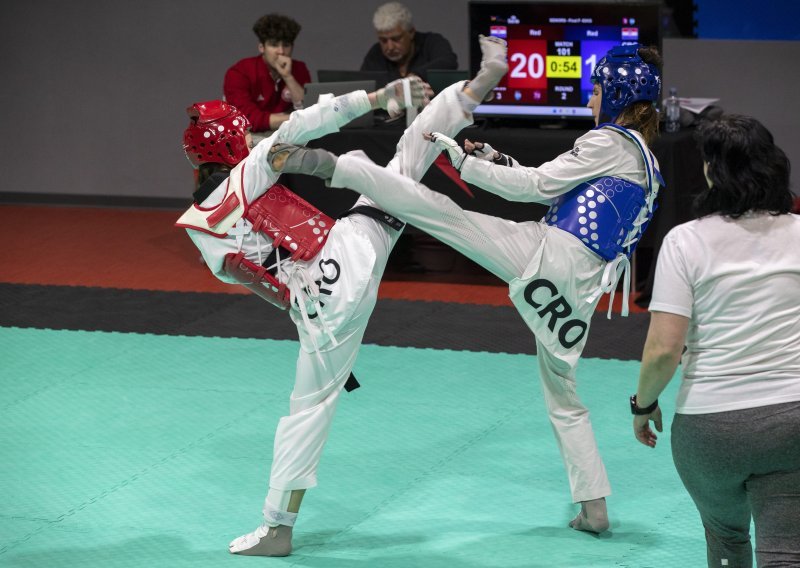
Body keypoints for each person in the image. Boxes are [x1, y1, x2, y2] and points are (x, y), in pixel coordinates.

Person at [272, 43, 664, 534]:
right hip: (583, 293)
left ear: (619, 95)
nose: (591, 102)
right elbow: (561, 188)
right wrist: (495, 158)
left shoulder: (610, 140)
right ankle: (594, 507)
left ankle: (339, 167)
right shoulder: (644, 158)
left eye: (598, 92)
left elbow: (535, 189)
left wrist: (464, 163)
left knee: (441, 214)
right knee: (564, 397)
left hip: (551, 257)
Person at [177, 35, 508, 557]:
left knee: (307, 409)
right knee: (404, 161)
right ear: (232, 143)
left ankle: (277, 528)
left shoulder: (199, 229)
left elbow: (258, 282)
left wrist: (315, 323)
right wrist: (377, 100)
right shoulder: (251, 170)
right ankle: (477, 88)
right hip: (348, 249)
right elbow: (306, 121)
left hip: (323, 306)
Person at [631, 115, 800, 567]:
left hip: (709, 431)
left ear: (711, 171)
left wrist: (643, 405)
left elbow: (664, 349)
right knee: (787, 554)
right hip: (793, 422)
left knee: (726, 542)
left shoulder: (684, 242)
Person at [223, 13, 312, 132]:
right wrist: (296, 119)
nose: (281, 51)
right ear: (261, 47)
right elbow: (247, 120)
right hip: (250, 137)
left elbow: (308, 109)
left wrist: (288, 76)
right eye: (274, 45)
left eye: (286, 45)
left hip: (288, 135)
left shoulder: (299, 69)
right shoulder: (239, 72)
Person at [360, 1, 458, 82]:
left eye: (396, 39)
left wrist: (416, 76)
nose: (390, 47)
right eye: (383, 40)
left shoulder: (432, 42)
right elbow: (363, 85)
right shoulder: (375, 55)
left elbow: (449, 62)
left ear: (411, 32)